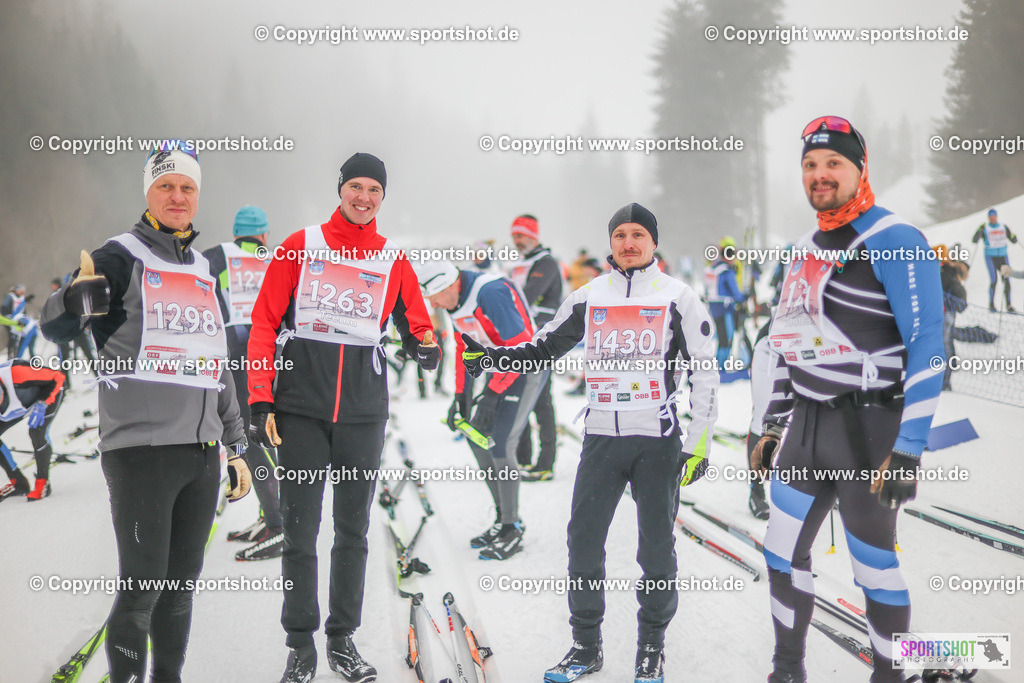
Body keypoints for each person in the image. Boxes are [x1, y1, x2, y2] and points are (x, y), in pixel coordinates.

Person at [462, 203, 719, 683]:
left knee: (656, 551)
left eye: (638, 234)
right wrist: (494, 357)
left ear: (653, 242)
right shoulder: (589, 296)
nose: (628, 243)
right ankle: (585, 646)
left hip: (657, 442)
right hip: (602, 439)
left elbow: (705, 370)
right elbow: (544, 346)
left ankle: (651, 648)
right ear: (611, 242)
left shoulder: (678, 297)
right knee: (582, 543)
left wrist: (699, 441)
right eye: (620, 234)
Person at [40, 139, 251, 683]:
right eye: (166, 186)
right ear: (149, 193)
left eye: (187, 187)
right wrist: (73, 301)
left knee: (179, 592)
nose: (178, 196)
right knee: (141, 591)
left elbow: (217, 363)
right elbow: (54, 323)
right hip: (141, 454)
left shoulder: (202, 267)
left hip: (201, 455)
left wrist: (235, 445)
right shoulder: (119, 256)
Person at [752, 116, 944, 683]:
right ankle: (787, 670)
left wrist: (908, 449)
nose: (820, 174)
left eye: (834, 163)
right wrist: (772, 424)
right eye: (810, 165)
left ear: (860, 169)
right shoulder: (803, 248)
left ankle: (891, 675)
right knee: (780, 554)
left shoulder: (895, 238)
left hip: (871, 434)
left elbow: (928, 348)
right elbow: (787, 340)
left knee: (873, 569)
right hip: (807, 431)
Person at [245, 152, 439, 683]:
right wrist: (260, 397)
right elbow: (263, 323)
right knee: (300, 531)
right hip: (300, 410)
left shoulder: (393, 258)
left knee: (352, 531)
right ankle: (300, 644)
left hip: (362, 414)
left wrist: (426, 347)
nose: (364, 197)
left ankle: (341, 639)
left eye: (374, 189)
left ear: (383, 197)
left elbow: (417, 324)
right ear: (340, 189)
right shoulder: (300, 245)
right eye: (356, 186)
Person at [416, 257, 542, 558]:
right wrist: (460, 396)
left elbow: (521, 347)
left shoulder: (490, 292)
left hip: (526, 367)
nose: (433, 304)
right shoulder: (455, 301)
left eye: (434, 297)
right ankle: (503, 518)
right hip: (500, 370)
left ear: (450, 285)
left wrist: (492, 394)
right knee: (477, 438)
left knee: (500, 444)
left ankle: (512, 526)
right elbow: (464, 348)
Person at [202, 205, 283, 561]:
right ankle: (272, 518)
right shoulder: (277, 258)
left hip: (234, 359)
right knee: (266, 434)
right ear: (263, 234)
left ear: (237, 233)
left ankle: (279, 523)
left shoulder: (216, 256)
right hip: (273, 359)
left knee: (246, 439)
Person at [506, 214, 564, 481]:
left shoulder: (546, 262)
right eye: (514, 236)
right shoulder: (521, 263)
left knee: (541, 401)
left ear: (533, 235)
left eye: (521, 236)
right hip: (521, 340)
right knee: (521, 398)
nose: (516, 241)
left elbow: (525, 297)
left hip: (542, 340)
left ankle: (545, 462)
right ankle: (523, 458)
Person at [0, 358, 66, 500]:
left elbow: (58, 377)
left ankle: (43, 483)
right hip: (19, 405)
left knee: (36, 431)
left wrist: (43, 402)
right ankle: (18, 483)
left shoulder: (16, 372)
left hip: (47, 394)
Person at [704, 238, 745, 368]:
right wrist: (743, 298)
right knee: (727, 337)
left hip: (714, 306)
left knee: (721, 336)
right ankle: (720, 366)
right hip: (725, 307)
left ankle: (718, 364)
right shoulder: (727, 270)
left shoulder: (713, 267)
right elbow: (734, 291)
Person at [971, 208, 1017, 312]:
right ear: (988, 218)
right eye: (991, 217)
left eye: (994, 216)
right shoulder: (985, 228)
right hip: (990, 258)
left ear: (997, 217)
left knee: (1006, 279)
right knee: (993, 280)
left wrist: (1014, 236)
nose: (993, 219)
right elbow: (974, 240)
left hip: (1003, 257)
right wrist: (979, 231)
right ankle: (991, 305)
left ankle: (1009, 305)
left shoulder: (1003, 227)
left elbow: (1013, 240)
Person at [935, 245, 967, 391]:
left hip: (945, 313)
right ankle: (949, 372)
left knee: (944, 344)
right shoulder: (947, 269)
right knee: (947, 341)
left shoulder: (944, 271)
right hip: (946, 312)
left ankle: (945, 381)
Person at [1, 284, 39, 359]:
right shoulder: (10, 296)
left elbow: (22, 310)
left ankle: (17, 355)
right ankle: (11, 355)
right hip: (10, 320)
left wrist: (23, 317)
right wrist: (10, 316)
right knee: (12, 338)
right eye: (21, 290)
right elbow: (4, 308)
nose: (22, 292)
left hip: (17, 321)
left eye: (23, 290)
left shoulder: (21, 298)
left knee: (18, 338)